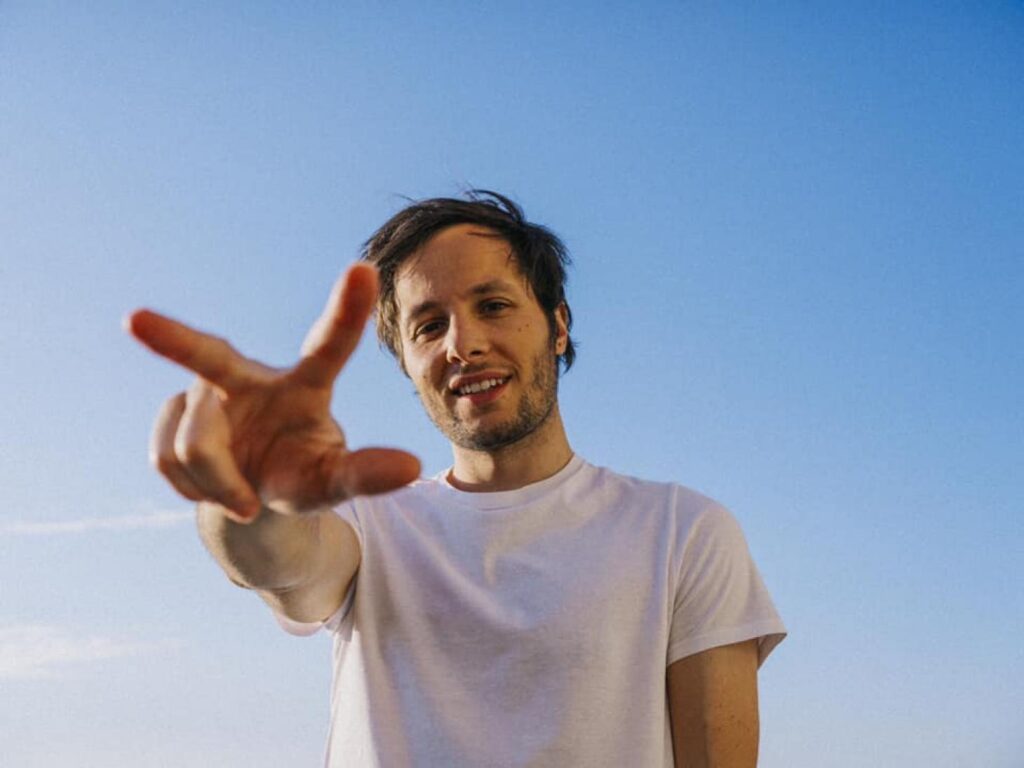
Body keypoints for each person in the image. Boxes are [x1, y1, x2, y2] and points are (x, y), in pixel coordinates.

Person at [128, 190, 786, 767]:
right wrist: (251, 493)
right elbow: (283, 568)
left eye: (493, 305)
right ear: (407, 364)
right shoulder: (372, 525)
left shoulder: (681, 532)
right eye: (428, 325)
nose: (461, 344)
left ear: (558, 326)